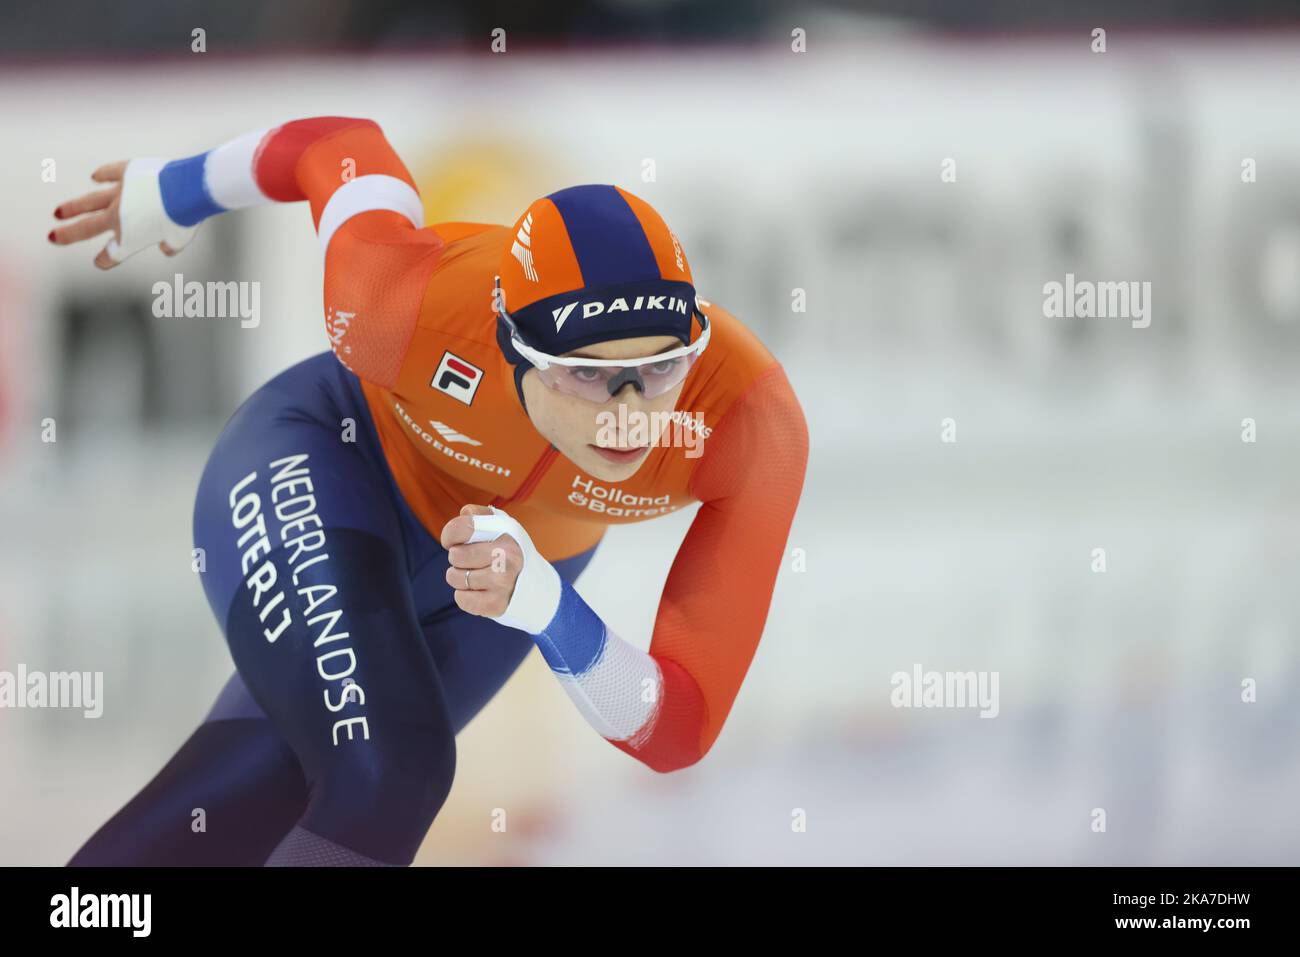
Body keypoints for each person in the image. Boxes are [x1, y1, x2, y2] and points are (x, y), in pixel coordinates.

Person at [49, 116, 809, 867]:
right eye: (586, 373)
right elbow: (335, 146)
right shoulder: (396, 307)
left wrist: (546, 604)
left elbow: (677, 727)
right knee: (390, 772)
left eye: (662, 367)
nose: (628, 413)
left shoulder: (748, 425)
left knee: (255, 791)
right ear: (514, 349)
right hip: (326, 463)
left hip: (511, 571)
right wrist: (177, 189)